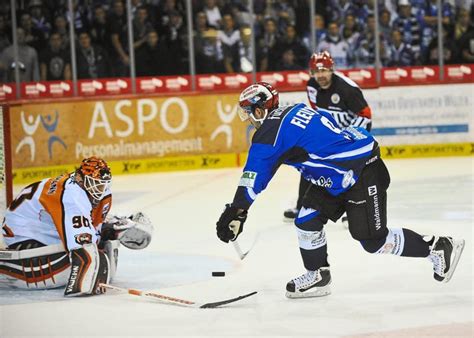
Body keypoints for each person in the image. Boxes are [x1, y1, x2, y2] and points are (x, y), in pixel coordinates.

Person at [215, 82, 465, 298]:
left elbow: (255, 176)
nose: (247, 119)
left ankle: (437, 247)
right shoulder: (295, 109)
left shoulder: (270, 132)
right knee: (306, 219)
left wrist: (236, 211)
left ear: (259, 110)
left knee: (373, 241)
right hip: (336, 176)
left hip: (362, 172)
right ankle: (318, 275)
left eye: (248, 113)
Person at [0, 157, 153, 296]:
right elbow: (82, 243)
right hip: (22, 233)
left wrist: (102, 231)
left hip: (44, 225)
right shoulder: (71, 195)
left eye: (103, 185)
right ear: (81, 177)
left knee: (94, 237)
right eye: (96, 185)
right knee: (85, 243)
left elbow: (92, 223)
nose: (100, 189)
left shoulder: (90, 187)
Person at [284, 51, 373, 222]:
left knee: (350, 171)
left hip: (351, 134)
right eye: (316, 71)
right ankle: (301, 206)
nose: (320, 75)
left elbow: (366, 115)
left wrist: (352, 139)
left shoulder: (348, 89)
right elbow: (317, 112)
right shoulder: (311, 86)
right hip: (330, 134)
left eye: (324, 70)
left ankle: (353, 212)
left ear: (332, 69)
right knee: (308, 162)